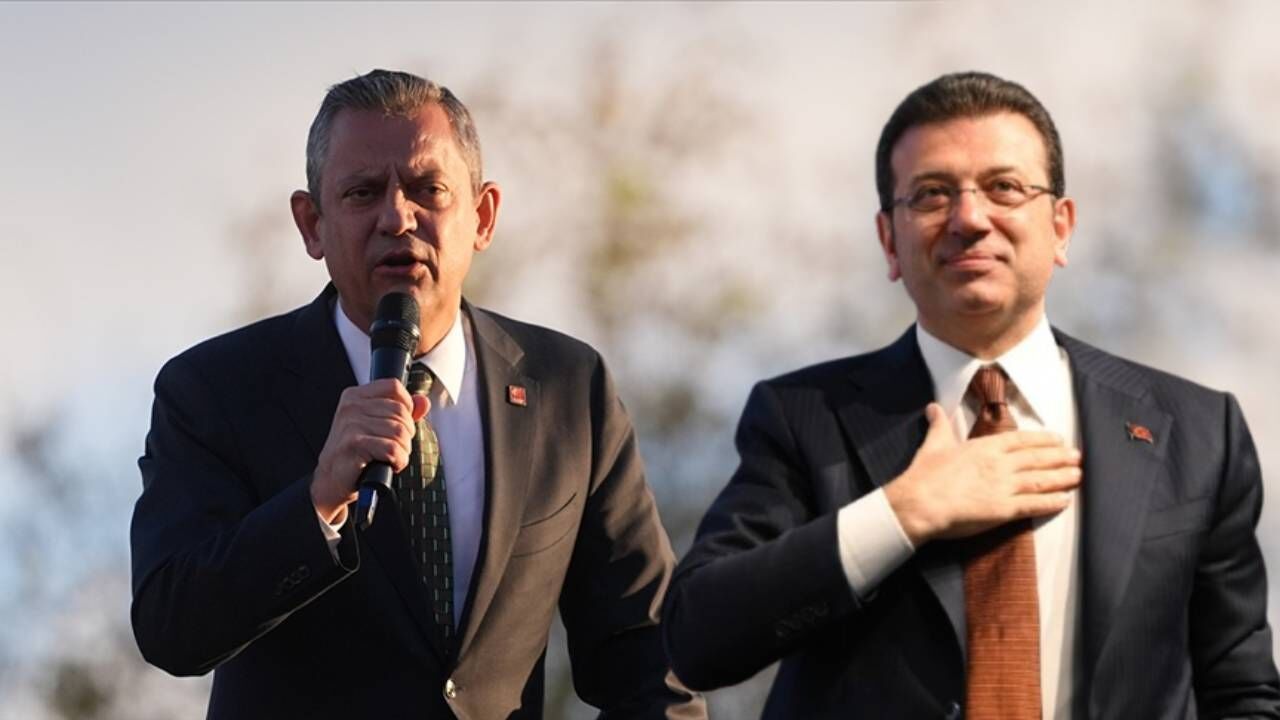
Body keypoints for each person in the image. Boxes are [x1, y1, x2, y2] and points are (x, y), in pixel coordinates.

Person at [663, 71, 1280, 718]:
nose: (969, 218)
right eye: (932, 194)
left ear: (1061, 227)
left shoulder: (1198, 432)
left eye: (1004, 187)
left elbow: (1243, 693)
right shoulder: (803, 418)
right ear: (889, 241)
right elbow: (698, 639)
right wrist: (903, 513)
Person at [131, 69, 705, 720]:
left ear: (483, 216)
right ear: (312, 224)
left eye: (428, 189)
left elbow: (646, 657)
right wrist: (317, 505)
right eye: (362, 192)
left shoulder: (569, 388)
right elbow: (171, 627)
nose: (397, 217)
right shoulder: (216, 390)